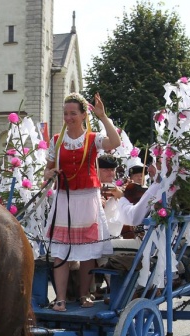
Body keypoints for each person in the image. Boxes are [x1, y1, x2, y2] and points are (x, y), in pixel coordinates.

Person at [43, 92, 121, 310]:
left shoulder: (93, 139)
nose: (68, 117)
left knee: (88, 251)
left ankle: (85, 294)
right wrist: (48, 175)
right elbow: (46, 171)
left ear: (83, 114)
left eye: (73, 113)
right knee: (61, 251)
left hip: (87, 199)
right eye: (65, 113)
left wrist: (103, 117)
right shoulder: (57, 141)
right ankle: (60, 298)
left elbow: (115, 141)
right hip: (64, 199)